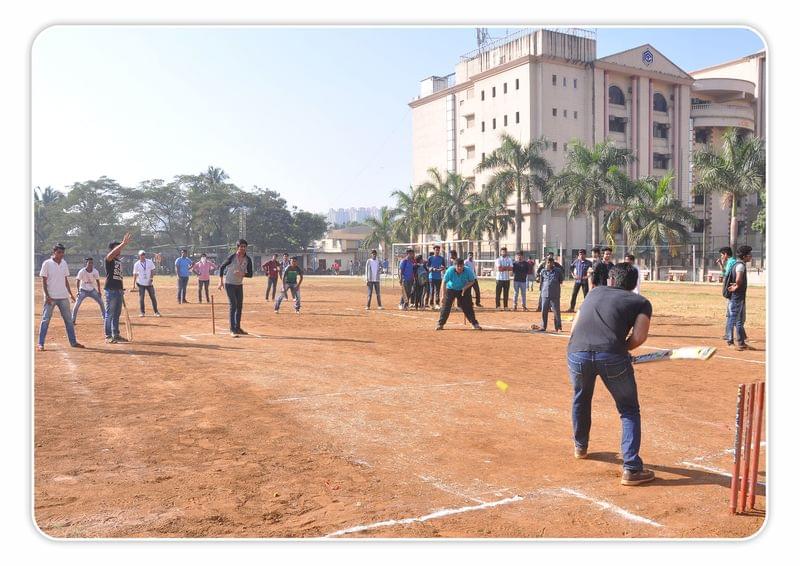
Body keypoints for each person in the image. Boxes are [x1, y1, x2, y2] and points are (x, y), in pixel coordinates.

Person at [566, 262, 655, 486]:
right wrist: (620, 350)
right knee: (629, 409)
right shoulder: (641, 302)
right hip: (612, 356)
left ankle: (580, 447)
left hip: (577, 352)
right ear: (634, 284)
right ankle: (631, 468)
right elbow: (639, 337)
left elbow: (574, 328)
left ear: (611, 280)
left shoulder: (593, 293)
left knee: (581, 398)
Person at [38, 243, 84, 351]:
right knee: (45, 320)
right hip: (51, 297)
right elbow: (44, 281)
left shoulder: (64, 263)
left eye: (62, 252)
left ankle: (73, 342)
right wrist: (47, 296)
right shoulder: (47, 263)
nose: (61, 254)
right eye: (59, 252)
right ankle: (41, 344)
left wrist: (70, 294)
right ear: (54, 252)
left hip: (63, 296)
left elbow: (65, 280)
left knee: (69, 320)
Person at [218, 239, 254, 337]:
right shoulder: (232, 257)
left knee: (239, 306)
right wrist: (220, 281)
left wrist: (242, 274)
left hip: (239, 285)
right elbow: (222, 267)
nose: (243, 248)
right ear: (237, 247)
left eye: (244, 247)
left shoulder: (248, 259)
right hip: (229, 284)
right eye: (241, 246)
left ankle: (238, 328)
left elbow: (250, 274)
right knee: (233, 305)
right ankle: (232, 329)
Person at [435, 258, 481, 331]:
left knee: (468, 307)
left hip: (463, 289)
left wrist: (465, 288)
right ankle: (440, 324)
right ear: (455, 266)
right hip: (451, 289)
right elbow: (444, 282)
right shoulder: (450, 270)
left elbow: (472, 281)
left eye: (461, 266)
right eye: (458, 266)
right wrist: (443, 296)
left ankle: (474, 323)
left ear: (463, 265)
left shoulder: (468, 271)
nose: (459, 268)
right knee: (446, 306)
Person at [104, 233, 133, 344]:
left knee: (117, 314)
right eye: (117, 248)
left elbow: (119, 277)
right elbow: (111, 254)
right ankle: (108, 336)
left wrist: (121, 289)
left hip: (119, 290)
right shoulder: (109, 259)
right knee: (110, 314)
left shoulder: (119, 262)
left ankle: (115, 334)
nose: (120, 250)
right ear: (112, 249)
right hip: (110, 290)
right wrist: (123, 243)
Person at [724, 245, 754, 351]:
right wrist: (736, 286)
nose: (751, 256)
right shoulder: (740, 266)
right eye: (749, 254)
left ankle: (741, 343)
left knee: (739, 320)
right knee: (733, 319)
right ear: (744, 256)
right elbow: (738, 279)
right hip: (737, 296)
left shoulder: (738, 264)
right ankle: (730, 341)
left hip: (739, 296)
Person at [71, 257, 106, 325]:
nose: (90, 264)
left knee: (101, 302)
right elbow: (78, 281)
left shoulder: (95, 271)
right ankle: (73, 320)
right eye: (89, 263)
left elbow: (98, 281)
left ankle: (105, 318)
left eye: (92, 263)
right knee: (77, 304)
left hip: (92, 290)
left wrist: (99, 291)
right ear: (86, 264)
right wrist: (78, 291)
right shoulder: (82, 271)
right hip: (83, 290)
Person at [534, 257, 564, 332]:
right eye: (548, 262)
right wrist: (541, 292)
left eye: (551, 262)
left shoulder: (558, 271)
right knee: (544, 311)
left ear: (553, 263)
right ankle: (543, 326)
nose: (549, 264)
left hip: (555, 294)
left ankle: (558, 327)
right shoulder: (543, 271)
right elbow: (541, 282)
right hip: (545, 294)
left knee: (556, 312)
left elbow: (561, 281)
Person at [132, 250, 161, 317]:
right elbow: (135, 274)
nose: (143, 256)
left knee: (153, 297)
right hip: (140, 283)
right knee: (141, 298)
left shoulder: (149, 262)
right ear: (139, 256)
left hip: (149, 283)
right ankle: (142, 312)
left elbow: (152, 270)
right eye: (141, 255)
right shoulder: (136, 264)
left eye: (143, 255)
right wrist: (133, 284)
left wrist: (151, 279)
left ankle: (156, 312)